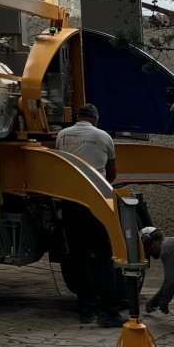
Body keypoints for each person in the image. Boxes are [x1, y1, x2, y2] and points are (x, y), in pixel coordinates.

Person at [55, 104, 120, 327]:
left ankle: (86, 307)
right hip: (96, 202)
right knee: (104, 254)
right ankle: (108, 310)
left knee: (78, 255)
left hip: (71, 201)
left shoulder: (62, 136)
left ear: (78, 117)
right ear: (95, 119)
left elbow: (60, 165)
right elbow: (111, 174)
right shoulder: (104, 137)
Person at [142, 227, 174, 330]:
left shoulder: (167, 248)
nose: (149, 254)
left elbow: (170, 281)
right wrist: (153, 302)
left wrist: (164, 303)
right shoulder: (169, 244)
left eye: (147, 250)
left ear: (152, 243)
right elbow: (168, 283)